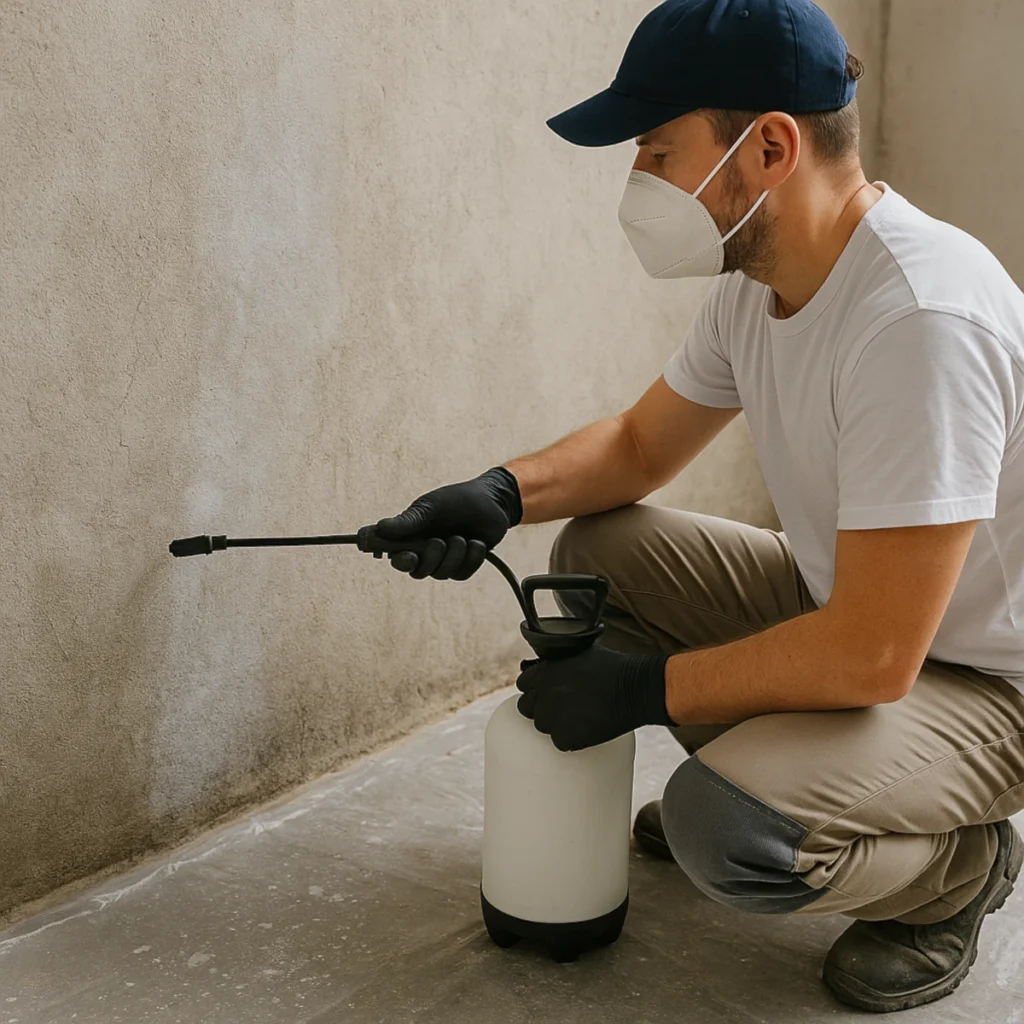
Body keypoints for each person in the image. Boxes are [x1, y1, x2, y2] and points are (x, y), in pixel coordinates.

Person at [372, 0, 1024, 1012]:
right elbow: (638, 449)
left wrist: (642, 694)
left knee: (727, 831)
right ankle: (790, 781)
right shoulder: (758, 282)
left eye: (656, 149)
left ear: (767, 148)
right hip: (860, 611)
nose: (640, 183)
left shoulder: (919, 319)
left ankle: (954, 869)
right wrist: (496, 495)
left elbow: (874, 654)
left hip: (988, 684)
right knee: (598, 553)